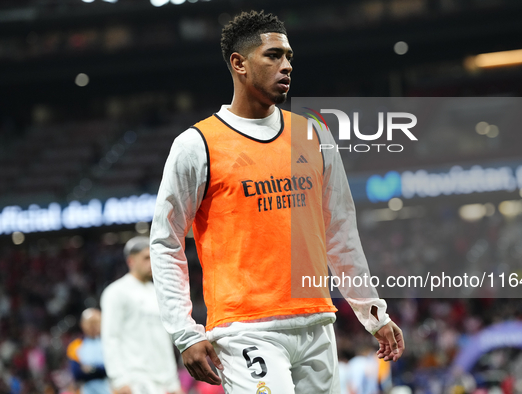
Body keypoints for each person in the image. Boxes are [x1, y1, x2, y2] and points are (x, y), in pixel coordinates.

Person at [150, 10, 405, 393]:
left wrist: (373, 313)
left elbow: (340, 232)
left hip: (317, 322)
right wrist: (185, 332)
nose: (286, 65)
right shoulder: (196, 145)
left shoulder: (315, 134)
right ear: (239, 63)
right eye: (272, 56)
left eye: (288, 57)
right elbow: (166, 242)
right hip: (246, 330)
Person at [100, 236, 183, 394]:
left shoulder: (159, 294)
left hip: (163, 381)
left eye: (153, 258)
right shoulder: (116, 292)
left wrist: (173, 382)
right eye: (146, 258)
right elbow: (111, 338)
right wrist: (119, 380)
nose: (151, 263)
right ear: (131, 261)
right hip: (135, 380)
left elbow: (165, 342)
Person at [66, 308, 110, 394]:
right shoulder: (75, 346)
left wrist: (92, 369)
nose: (93, 326)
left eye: (97, 322)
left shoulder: (109, 343)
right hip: (86, 389)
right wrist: (100, 369)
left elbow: (112, 369)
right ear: (82, 324)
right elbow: (77, 373)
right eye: (90, 323)